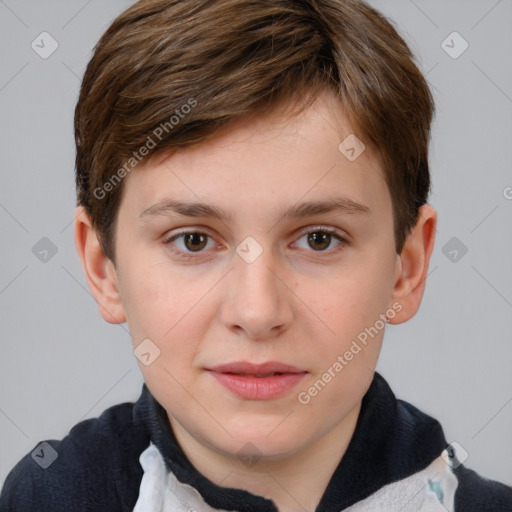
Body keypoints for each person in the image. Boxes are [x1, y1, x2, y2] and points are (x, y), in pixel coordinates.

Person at [1, 0, 511, 510]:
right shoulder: (50, 496)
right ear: (102, 268)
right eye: (193, 240)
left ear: (408, 266)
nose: (258, 312)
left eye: (319, 239)